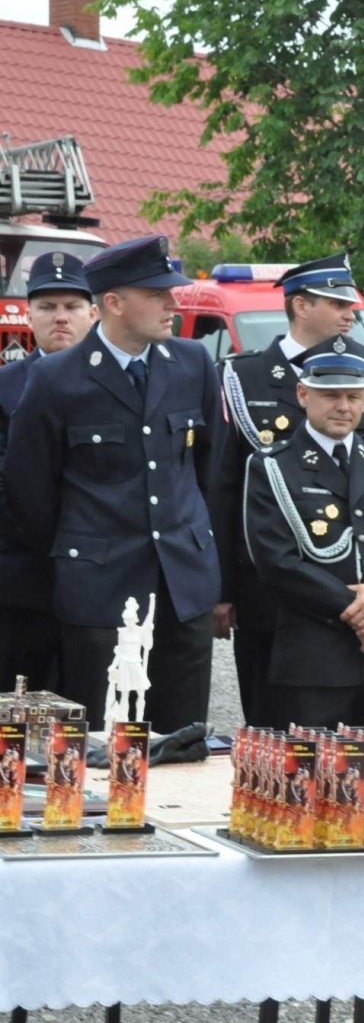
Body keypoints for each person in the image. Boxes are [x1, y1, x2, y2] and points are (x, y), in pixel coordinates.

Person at [3, 236, 220, 733]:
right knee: (100, 750)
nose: (173, 303)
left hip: (182, 589)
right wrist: (72, 563)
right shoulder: (57, 379)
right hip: (99, 593)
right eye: (157, 293)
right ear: (115, 303)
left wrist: (208, 570)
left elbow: (210, 473)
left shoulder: (191, 364)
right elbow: (30, 493)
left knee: (182, 741)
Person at [212, 253, 364, 727]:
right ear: (300, 306)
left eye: (350, 304)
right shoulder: (244, 376)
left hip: (363, 585)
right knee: (279, 734)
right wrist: (221, 589)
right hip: (273, 589)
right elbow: (223, 486)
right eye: (337, 303)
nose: (350, 313)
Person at [243, 352, 364, 732]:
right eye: (331, 396)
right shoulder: (272, 466)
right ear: (302, 394)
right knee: (316, 779)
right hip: (315, 658)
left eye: (354, 397)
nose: (343, 407)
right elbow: (276, 562)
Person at [0, 252, 99, 689]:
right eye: (47, 307)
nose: (61, 318)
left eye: (72, 307)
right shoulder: (5, 387)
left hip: (102, 576)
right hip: (25, 578)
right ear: (29, 313)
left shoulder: (120, 385)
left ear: (94, 313)